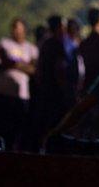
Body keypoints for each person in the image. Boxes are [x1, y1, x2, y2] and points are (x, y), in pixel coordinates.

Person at [0, 18, 38, 150]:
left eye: (17, 27)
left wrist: (16, 64)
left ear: (24, 29)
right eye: (13, 27)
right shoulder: (5, 43)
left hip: (22, 95)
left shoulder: (31, 48)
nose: (14, 30)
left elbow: (34, 69)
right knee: (3, 128)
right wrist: (24, 65)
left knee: (19, 128)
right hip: (3, 93)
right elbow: (5, 61)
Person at [33, 15, 72, 144]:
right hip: (55, 91)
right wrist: (64, 89)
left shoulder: (45, 43)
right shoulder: (58, 43)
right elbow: (59, 68)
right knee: (55, 124)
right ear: (59, 27)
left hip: (46, 90)